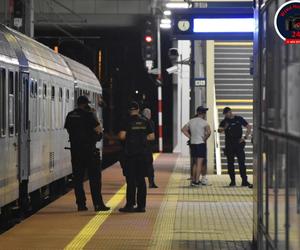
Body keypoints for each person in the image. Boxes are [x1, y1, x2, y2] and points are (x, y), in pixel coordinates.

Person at [64, 96, 110, 212]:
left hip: (75, 151)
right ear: (85, 104)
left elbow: (69, 130)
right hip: (90, 151)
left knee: (78, 180)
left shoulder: (70, 115)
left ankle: (81, 204)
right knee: (95, 179)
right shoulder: (89, 115)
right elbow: (99, 132)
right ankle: (98, 204)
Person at [118, 101, 155, 213]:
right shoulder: (145, 121)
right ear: (138, 110)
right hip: (143, 155)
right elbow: (152, 136)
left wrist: (130, 139)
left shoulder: (126, 121)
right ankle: (141, 206)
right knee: (141, 181)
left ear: (129, 110)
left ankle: (130, 205)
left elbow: (122, 136)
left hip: (130, 155)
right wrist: (141, 140)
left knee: (131, 180)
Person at [218, 107, 253, 188]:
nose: (226, 115)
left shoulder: (239, 119)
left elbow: (249, 126)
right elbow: (219, 130)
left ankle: (244, 181)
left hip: (238, 143)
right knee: (230, 163)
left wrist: (245, 138)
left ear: (230, 112)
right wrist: (225, 127)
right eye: (225, 114)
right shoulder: (224, 121)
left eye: (227, 113)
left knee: (242, 163)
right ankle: (232, 181)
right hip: (229, 144)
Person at [181, 106, 211, 187]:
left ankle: (193, 180)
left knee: (194, 163)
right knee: (199, 163)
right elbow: (209, 132)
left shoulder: (191, 121)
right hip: (200, 144)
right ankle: (197, 181)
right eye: (205, 112)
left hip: (193, 144)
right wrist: (204, 138)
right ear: (203, 113)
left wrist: (190, 137)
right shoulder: (204, 122)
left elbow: (183, 129)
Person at [142, 108, 158, 189]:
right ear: (149, 115)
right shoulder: (150, 122)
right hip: (147, 148)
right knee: (149, 165)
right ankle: (151, 183)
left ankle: (139, 182)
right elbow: (152, 136)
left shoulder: (139, 121)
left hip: (138, 148)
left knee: (139, 165)